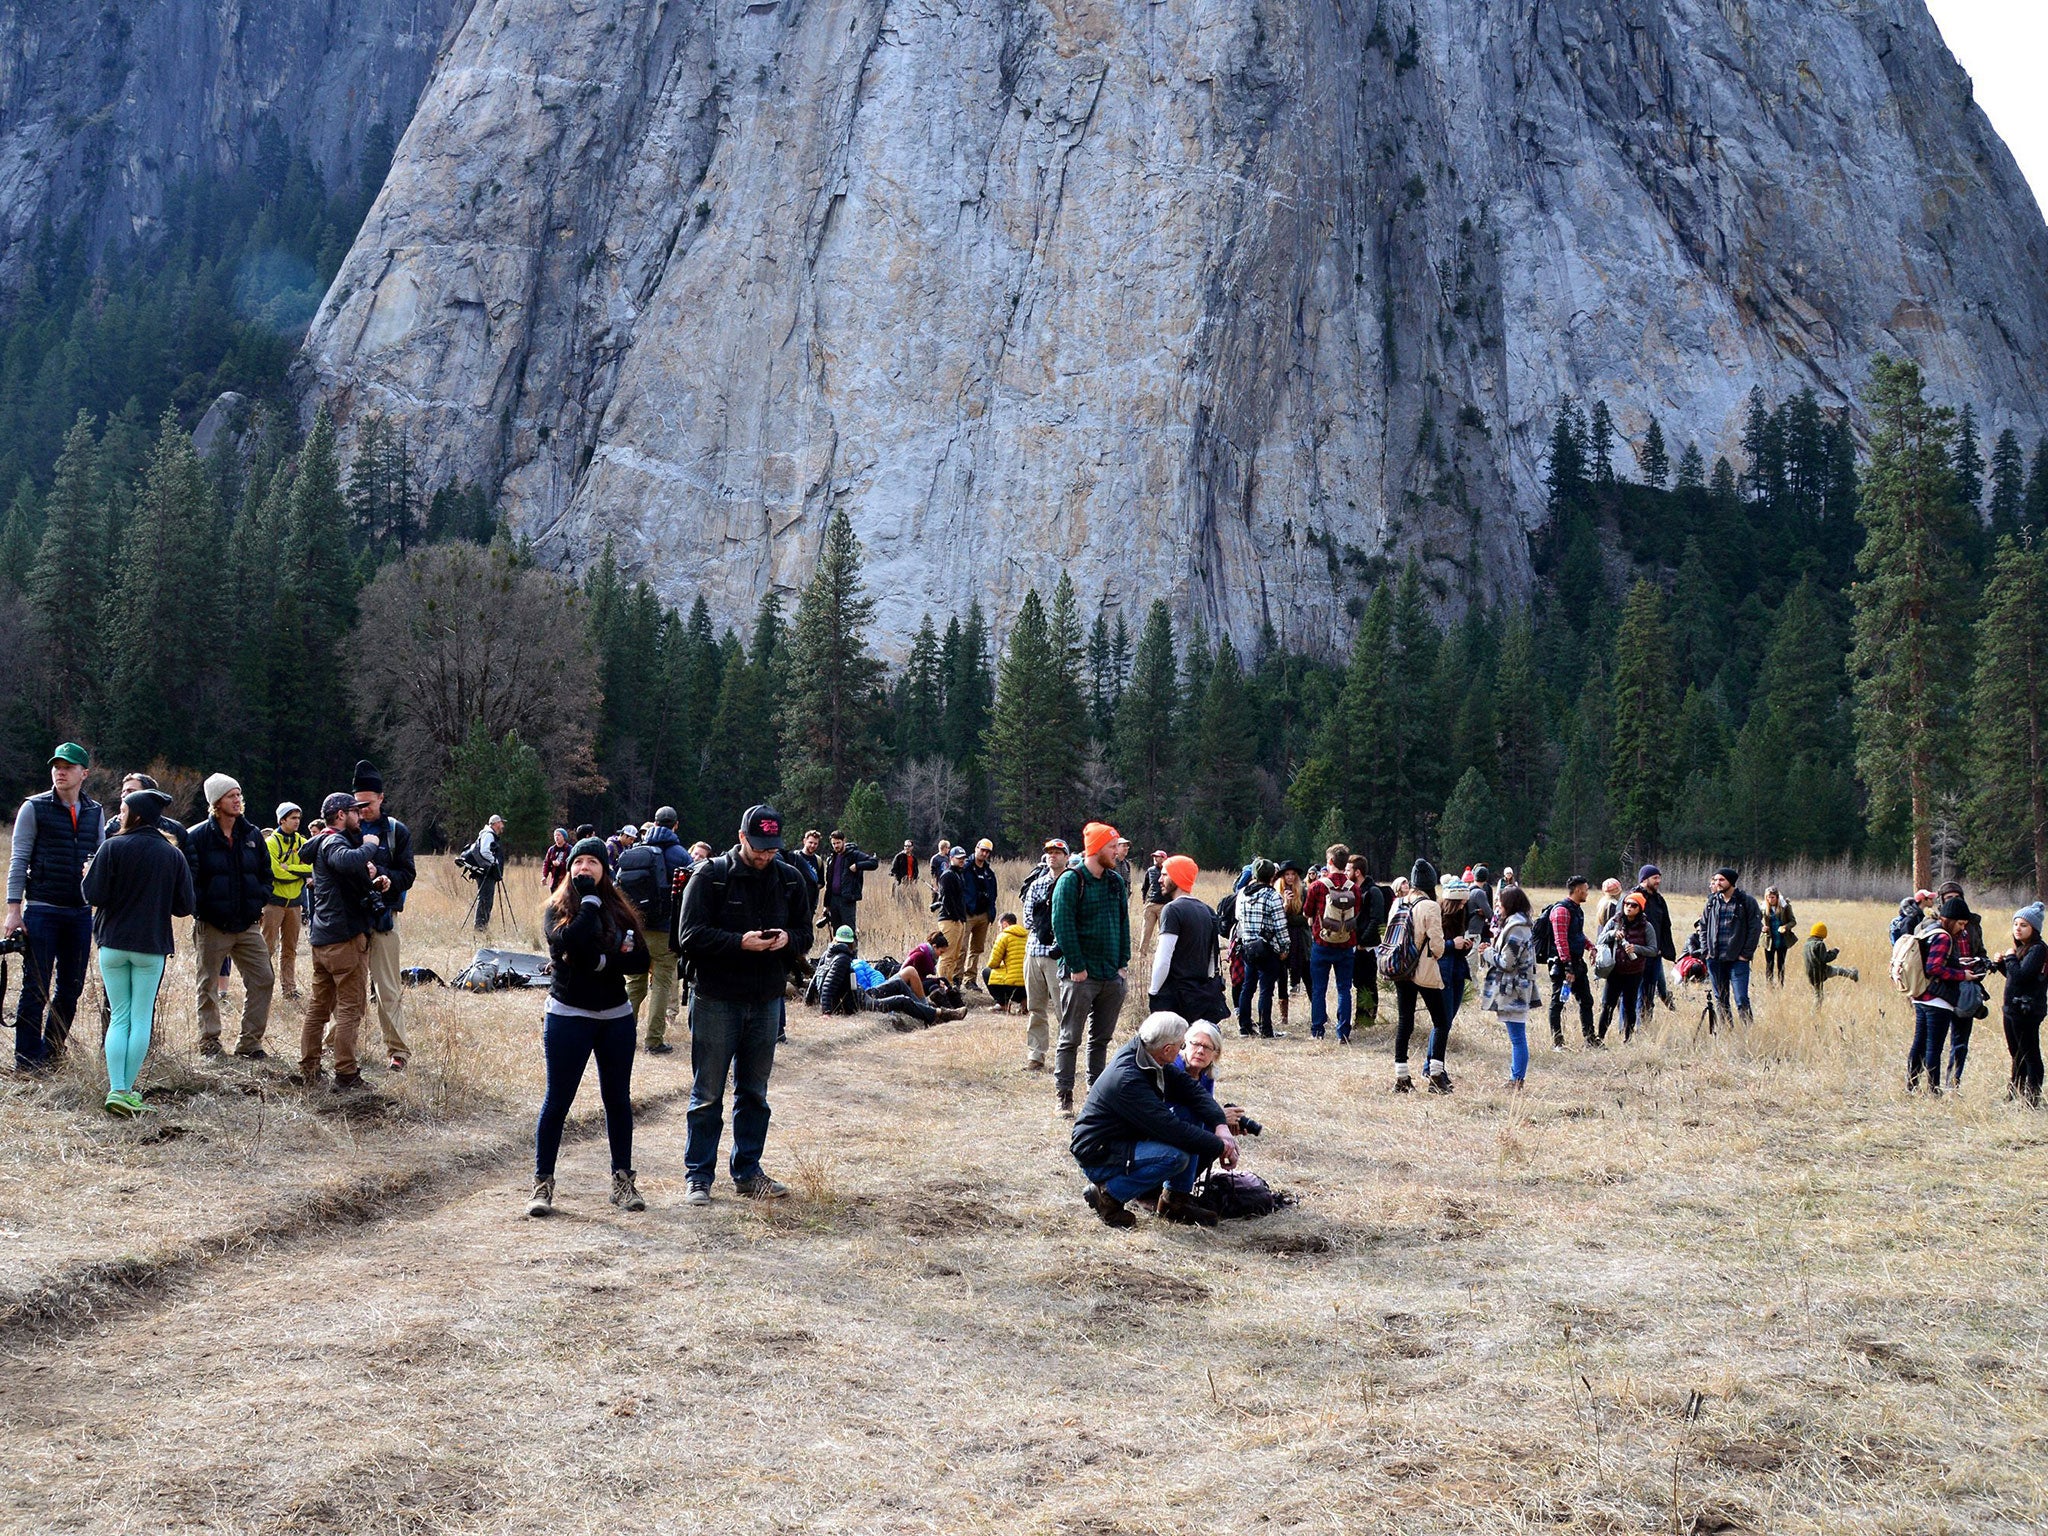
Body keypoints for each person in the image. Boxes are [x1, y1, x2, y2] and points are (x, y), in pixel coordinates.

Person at [675, 805, 813, 1204]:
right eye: (758, 848)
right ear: (741, 838)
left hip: (767, 1001)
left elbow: (805, 932)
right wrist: (740, 942)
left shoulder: (790, 879)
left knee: (755, 1093)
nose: (765, 855)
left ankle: (748, 1172)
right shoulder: (710, 876)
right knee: (707, 1094)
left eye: (771, 848)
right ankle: (698, 1175)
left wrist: (788, 939)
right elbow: (690, 936)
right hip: (716, 999)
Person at [528, 837, 651, 1217]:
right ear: (569, 868)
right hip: (568, 1016)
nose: (584, 868)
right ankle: (542, 1184)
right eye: (578, 861)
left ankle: (622, 1181)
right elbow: (566, 946)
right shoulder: (557, 907)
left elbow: (640, 961)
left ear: (604, 869)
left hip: (615, 1018)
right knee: (557, 1101)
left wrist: (599, 959)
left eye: (592, 863)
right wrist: (593, 911)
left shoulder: (622, 909)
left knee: (617, 1100)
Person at [82, 788, 194, 1115]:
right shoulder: (173, 855)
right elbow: (185, 906)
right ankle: (125, 1092)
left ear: (135, 814)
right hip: (151, 945)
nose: (120, 812)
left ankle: (117, 1088)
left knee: (119, 1016)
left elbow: (93, 895)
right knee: (140, 1017)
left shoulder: (111, 847)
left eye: (123, 808)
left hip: (113, 942)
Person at [1069, 1012, 1238, 1229]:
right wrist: (1220, 1146)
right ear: (1167, 1049)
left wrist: (1220, 1126)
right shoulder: (1128, 1080)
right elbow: (1170, 1128)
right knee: (1175, 1157)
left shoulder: (1148, 1053)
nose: (1182, 1050)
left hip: (1123, 1140)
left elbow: (1191, 1090)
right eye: (1181, 1044)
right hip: (1099, 1153)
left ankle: (1175, 1202)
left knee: (1191, 1112)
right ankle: (1107, 1196)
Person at [5, 743, 106, 1069]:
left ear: (84, 773)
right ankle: (26, 1059)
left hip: (79, 913)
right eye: (56, 766)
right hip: (43, 909)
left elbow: (102, 859)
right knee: (35, 987)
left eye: (68, 766)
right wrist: (13, 910)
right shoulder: (34, 808)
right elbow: (18, 860)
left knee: (71, 988)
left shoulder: (95, 811)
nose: (60, 772)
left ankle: (51, 1052)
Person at [182, 773, 276, 1059]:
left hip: (247, 925)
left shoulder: (252, 835)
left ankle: (250, 1044)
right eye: (230, 796)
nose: (238, 800)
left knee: (263, 978)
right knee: (207, 983)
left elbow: (265, 875)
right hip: (212, 925)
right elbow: (189, 880)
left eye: (239, 795)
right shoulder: (197, 837)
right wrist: (205, 908)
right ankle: (210, 1043)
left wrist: (257, 900)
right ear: (216, 802)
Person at [299, 792, 388, 1092]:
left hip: (322, 938)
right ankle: (347, 1074)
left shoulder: (320, 843)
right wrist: (370, 846)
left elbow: (342, 877)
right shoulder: (335, 842)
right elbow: (346, 860)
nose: (360, 815)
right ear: (339, 815)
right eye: (354, 811)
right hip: (344, 939)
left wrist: (371, 883)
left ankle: (309, 1068)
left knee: (318, 1007)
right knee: (351, 1008)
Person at [1051, 820, 1132, 1116]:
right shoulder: (1072, 880)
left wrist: (1123, 965)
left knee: (1101, 1039)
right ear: (1096, 849)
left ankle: (1097, 1096)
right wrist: (1076, 965)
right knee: (1070, 1037)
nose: (1117, 852)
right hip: (1080, 976)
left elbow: (1124, 925)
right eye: (1112, 847)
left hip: (1111, 974)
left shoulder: (1115, 882)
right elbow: (1062, 925)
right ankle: (1064, 1096)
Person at [351, 763, 417, 1070]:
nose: (362, 809)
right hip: (350, 920)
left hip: (384, 918)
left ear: (381, 798)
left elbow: (408, 873)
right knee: (348, 988)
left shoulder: (396, 832)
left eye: (368, 803)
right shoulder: (345, 828)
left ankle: (398, 1052)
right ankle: (337, 1047)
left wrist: (386, 876)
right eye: (357, 804)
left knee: (387, 988)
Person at [815, 925, 959, 1028]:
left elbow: (816, 980)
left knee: (899, 984)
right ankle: (938, 1014)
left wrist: (809, 1001)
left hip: (862, 995)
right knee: (902, 1000)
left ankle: (926, 1010)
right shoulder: (842, 959)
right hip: (862, 1003)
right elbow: (828, 985)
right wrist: (826, 1012)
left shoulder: (827, 955)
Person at [1909, 894, 1982, 1094]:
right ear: (1948, 920)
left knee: (1919, 1044)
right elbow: (1934, 968)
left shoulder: (1927, 929)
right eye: (1960, 923)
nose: (1963, 928)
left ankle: (1911, 1085)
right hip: (1938, 999)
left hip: (1920, 996)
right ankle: (1933, 1089)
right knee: (1934, 1047)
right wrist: (1962, 975)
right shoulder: (1943, 936)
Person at [1388, 859, 1450, 1092]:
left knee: (1405, 1022)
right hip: (1423, 970)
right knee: (1441, 1022)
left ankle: (1402, 1077)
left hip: (1400, 968)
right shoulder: (1430, 906)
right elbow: (1438, 946)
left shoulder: (1398, 903)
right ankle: (1435, 1075)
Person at [1149, 855, 1229, 1026]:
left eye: (1165, 875)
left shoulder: (1172, 910)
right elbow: (1212, 960)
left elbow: (1163, 958)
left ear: (1177, 877)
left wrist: (1154, 992)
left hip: (1174, 996)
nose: (1159, 880)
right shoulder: (1207, 910)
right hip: (1199, 996)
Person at [1481, 884, 1539, 1088]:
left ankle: (1517, 1079)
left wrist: (1488, 953)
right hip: (1516, 986)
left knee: (1517, 1037)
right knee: (1516, 1035)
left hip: (1514, 988)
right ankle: (1516, 1077)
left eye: (1500, 902)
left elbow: (1507, 962)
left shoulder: (1516, 929)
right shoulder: (1518, 925)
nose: (1497, 905)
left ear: (1510, 904)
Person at [1303, 844, 1363, 1042]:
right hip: (1346, 944)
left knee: (1318, 988)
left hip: (1322, 942)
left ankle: (1318, 1030)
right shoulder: (1353, 888)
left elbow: (1307, 912)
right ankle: (1343, 1033)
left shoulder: (1318, 886)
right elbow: (1358, 912)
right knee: (1344, 989)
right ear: (1346, 863)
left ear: (1329, 862)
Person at [1019, 840, 1069, 1070]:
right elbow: (1027, 919)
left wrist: (1057, 934)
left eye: (1058, 853)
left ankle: (1064, 1056)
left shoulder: (1072, 884)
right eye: (1050, 853)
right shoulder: (1037, 885)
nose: (1053, 856)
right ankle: (1036, 1055)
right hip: (1034, 952)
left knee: (1063, 1010)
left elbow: (1074, 921)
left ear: (1066, 857)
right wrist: (1045, 925)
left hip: (1059, 957)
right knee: (1036, 1008)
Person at [1991, 903, 2046, 1107]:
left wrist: (2010, 958)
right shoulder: (2023, 949)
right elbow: (2014, 978)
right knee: (2016, 1054)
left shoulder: (2038, 950)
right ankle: (2015, 1092)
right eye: (2015, 924)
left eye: (2024, 925)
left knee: (2030, 1055)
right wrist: (2001, 965)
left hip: (2027, 1011)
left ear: (2034, 929)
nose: (2018, 928)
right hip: (2013, 1009)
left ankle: (2032, 1098)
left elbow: (2022, 976)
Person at [258, 804, 314, 1003]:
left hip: (294, 904)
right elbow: (275, 872)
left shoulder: (303, 841)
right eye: (292, 818)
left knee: (290, 949)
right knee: (267, 948)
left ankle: (289, 989)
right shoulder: (271, 842)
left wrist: (290, 867)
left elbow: (312, 866)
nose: (297, 821)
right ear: (281, 820)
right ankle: (262, 988)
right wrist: (300, 872)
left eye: (298, 817)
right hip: (274, 903)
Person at [1701, 867, 1763, 1030]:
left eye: (1721, 880)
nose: (1717, 883)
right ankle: (1727, 1031)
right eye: (1715, 880)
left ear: (1731, 882)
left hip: (1738, 960)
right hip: (1715, 959)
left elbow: (1755, 928)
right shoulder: (1712, 902)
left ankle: (1749, 1031)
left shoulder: (1746, 901)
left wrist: (1746, 954)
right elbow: (1703, 926)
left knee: (1741, 998)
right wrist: (1706, 951)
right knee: (1720, 998)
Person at [1233, 859, 1287, 1040]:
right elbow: (1280, 926)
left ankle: (1244, 1027)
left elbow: (1238, 918)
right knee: (1266, 989)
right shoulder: (1273, 896)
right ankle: (1266, 1029)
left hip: (1248, 947)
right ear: (1273, 876)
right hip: (1267, 948)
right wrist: (1284, 947)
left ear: (1254, 875)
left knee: (1247, 987)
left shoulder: (1242, 894)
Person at [1598, 889, 1657, 1043]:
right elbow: (1600, 940)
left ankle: (1628, 1039)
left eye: (1634, 905)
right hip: (1614, 970)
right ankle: (1600, 1037)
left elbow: (1653, 950)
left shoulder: (1646, 926)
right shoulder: (1615, 921)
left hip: (1634, 972)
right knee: (1608, 1005)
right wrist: (1612, 934)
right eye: (1627, 904)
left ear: (1640, 909)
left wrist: (1636, 948)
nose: (1629, 907)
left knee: (1630, 1006)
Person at [1546, 876, 1595, 1049]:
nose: (1587, 892)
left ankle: (1590, 1039)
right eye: (1586, 889)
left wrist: (1591, 947)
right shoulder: (1561, 911)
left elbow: (1577, 935)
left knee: (1587, 1001)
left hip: (1577, 962)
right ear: (1578, 890)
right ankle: (1558, 1043)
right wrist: (1567, 967)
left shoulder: (1577, 909)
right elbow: (1560, 940)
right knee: (1558, 1003)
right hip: (1562, 965)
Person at [1348, 854, 1390, 1029]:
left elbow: (1376, 919)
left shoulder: (1373, 891)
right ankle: (1360, 1018)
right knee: (1359, 982)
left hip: (1368, 946)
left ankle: (1367, 1019)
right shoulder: (1353, 891)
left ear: (1357, 872)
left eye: (1348, 869)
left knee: (1368, 983)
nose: (1345, 872)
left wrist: (1363, 942)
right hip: (1356, 946)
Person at [821, 829, 879, 938]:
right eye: (833, 843)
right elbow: (829, 883)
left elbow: (874, 863)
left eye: (838, 843)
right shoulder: (831, 858)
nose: (836, 846)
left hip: (847, 899)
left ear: (844, 841)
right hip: (833, 899)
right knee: (836, 931)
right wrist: (826, 905)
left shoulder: (853, 854)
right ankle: (837, 953)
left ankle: (852, 954)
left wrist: (857, 866)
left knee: (849, 931)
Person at [1274, 862, 1310, 1032]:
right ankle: (1284, 1015)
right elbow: (1276, 918)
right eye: (1286, 874)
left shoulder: (1303, 891)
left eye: (1292, 874)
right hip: (1281, 939)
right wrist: (1285, 906)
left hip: (1300, 939)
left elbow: (1306, 917)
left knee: (1307, 973)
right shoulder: (1276, 893)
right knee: (1281, 975)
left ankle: (1319, 1013)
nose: (1290, 878)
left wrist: (1290, 918)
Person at [959, 839, 1000, 986]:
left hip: (983, 915)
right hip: (967, 914)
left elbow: (993, 893)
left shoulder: (989, 872)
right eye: (982, 850)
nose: (984, 853)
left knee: (976, 949)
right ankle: (956, 979)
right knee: (961, 948)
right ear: (976, 848)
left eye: (987, 852)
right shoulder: (965, 868)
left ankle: (970, 979)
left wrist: (991, 912)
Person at [1635, 865, 1676, 1010]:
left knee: (1649, 994)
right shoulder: (1633, 898)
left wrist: (1664, 950)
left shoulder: (1658, 900)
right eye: (1655, 878)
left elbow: (1665, 926)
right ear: (1645, 879)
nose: (1658, 881)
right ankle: (1630, 1027)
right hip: (1637, 953)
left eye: (1659, 877)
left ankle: (1645, 1027)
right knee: (1635, 993)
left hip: (1654, 953)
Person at [1803, 923, 1858, 1006]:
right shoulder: (1820, 944)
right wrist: (1834, 952)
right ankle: (1853, 974)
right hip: (1822, 971)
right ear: (1823, 933)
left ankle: (1814, 1015)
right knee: (1839, 970)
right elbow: (1825, 959)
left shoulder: (1806, 945)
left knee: (1818, 995)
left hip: (1810, 974)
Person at [937, 846, 971, 982]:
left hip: (958, 920)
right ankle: (942, 985)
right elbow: (947, 900)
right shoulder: (948, 875)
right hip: (950, 920)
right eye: (959, 858)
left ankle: (949, 983)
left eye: (963, 858)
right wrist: (956, 917)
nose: (962, 860)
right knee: (947, 955)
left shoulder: (958, 874)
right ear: (951, 859)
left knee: (955, 955)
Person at [984, 913, 1028, 1011]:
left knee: (986, 972)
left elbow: (993, 963)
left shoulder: (1003, 936)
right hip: (1027, 985)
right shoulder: (1027, 936)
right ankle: (1025, 1001)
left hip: (1011, 987)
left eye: (1000, 926)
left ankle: (1002, 1003)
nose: (999, 929)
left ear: (1005, 924)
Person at [470, 814, 506, 928]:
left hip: (486, 872)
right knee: (485, 899)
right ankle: (480, 926)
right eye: (501, 823)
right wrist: (494, 862)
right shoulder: (488, 835)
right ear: (495, 824)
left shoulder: (488, 834)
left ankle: (482, 925)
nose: (502, 825)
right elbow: (485, 851)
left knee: (486, 898)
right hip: (486, 872)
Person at [1139, 850, 1172, 958]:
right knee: (1146, 933)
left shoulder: (1170, 871)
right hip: (1151, 905)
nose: (1155, 859)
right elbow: (1145, 887)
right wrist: (1145, 901)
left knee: (1163, 934)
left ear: (1164, 858)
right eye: (1154, 857)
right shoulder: (1150, 870)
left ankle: (1160, 956)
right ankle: (1141, 957)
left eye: (1158, 857)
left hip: (1164, 906)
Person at [1763, 887, 1798, 985]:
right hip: (1769, 940)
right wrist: (1762, 927)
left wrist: (1785, 927)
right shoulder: (1763, 907)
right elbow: (1756, 920)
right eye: (1768, 897)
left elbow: (1793, 921)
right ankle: (1769, 985)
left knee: (1781, 964)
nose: (1770, 900)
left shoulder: (1785, 907)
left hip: (1782, 940)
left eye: (1772, 897)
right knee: (1769, 964)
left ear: (1777, 897)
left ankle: (1780, 984)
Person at [901, 930, 948, 999]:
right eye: (941, 952)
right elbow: (915, 979)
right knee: (935, 986)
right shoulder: (920, 955)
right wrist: (936, 981)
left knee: (943, 980)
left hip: (914, 982)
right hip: (906, 987)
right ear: (934, 947)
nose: (941, 955)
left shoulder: (926, 954)